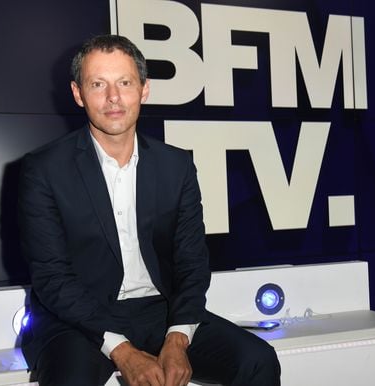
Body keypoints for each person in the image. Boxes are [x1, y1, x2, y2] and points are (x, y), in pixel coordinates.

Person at [18, 34, 281, 386]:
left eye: (125, 82)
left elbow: (192, 262)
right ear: (78, 94)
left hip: (160, 312)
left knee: (259, 361)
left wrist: (177, 337)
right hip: (77, 320)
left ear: (144, 90)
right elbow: (52, 279)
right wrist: (121, 349)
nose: (113, 97)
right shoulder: (44, 169)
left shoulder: (177, 166)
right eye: (98, 84)